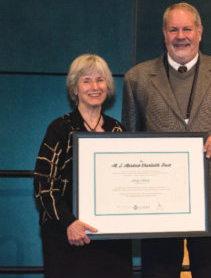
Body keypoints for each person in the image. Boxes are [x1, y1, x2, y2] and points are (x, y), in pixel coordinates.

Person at [122, 2, 211, 278]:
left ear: (199, 32)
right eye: (173, 29)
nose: (180, 36)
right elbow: (130, 138)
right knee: (158, 272)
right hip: (157, 204)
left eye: (186, 29)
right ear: (164, 33)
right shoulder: (137, 78)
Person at [33, 54, 132, 278]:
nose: (94, 86)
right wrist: (70, 223)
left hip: (111, 241)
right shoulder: (59, 129)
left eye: (100, 79)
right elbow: (43, 185)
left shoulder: (119, 131)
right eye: (86, 80)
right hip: (67, 239)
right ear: (75, 88)